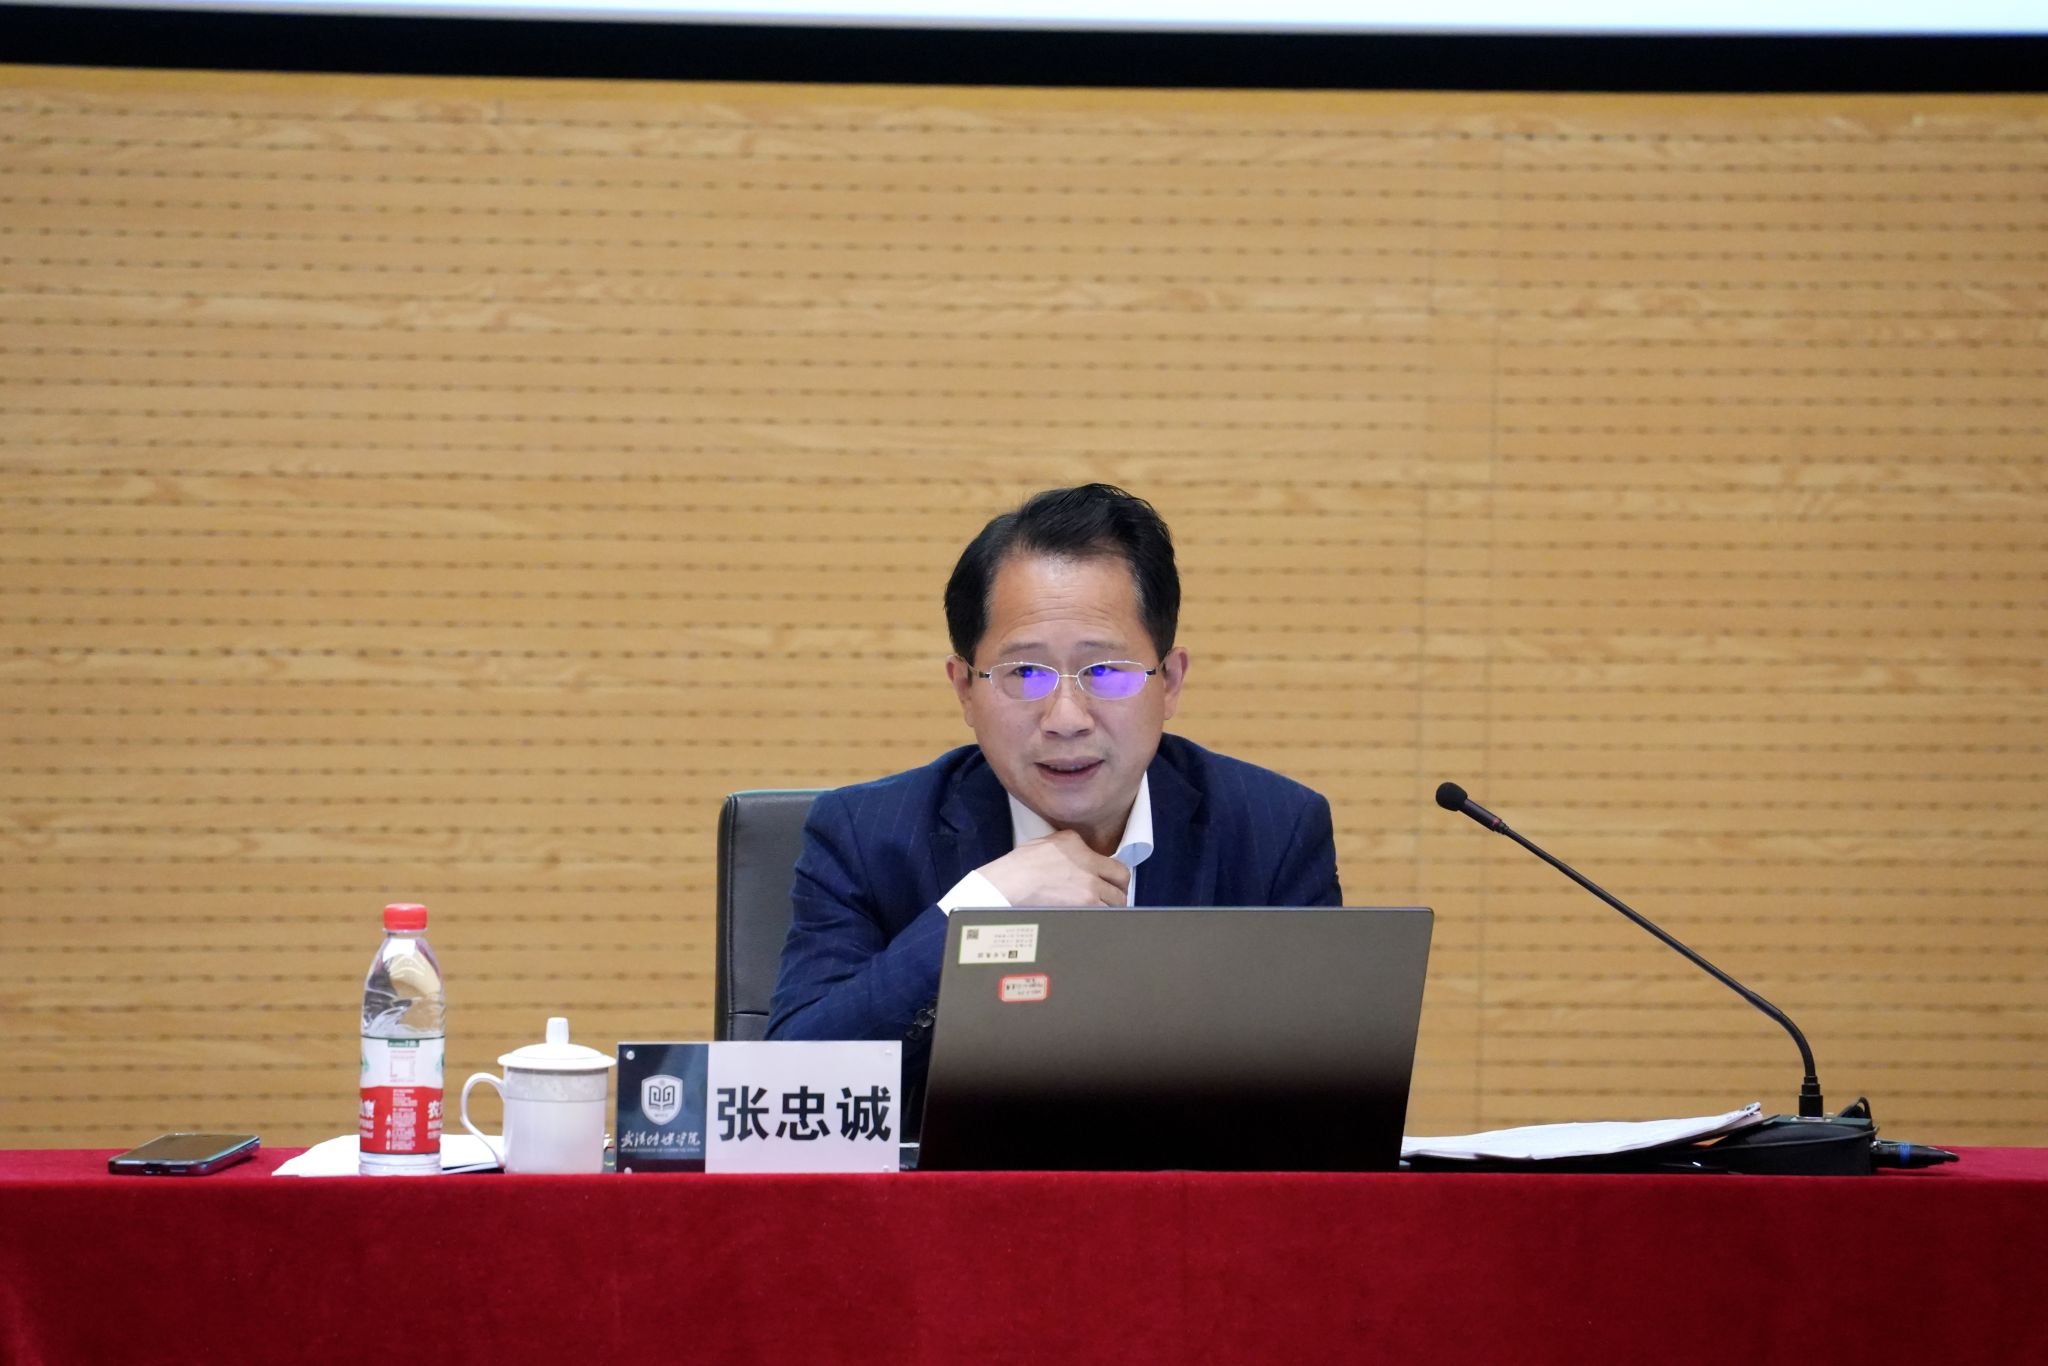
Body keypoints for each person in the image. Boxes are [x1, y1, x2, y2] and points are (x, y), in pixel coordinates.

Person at [766, 483, 1342, 1127]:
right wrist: (978, 909)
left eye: (1106, 672)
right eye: (1025, 673)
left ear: (1171, 682)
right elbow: (791, 1089)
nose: (1066, 718)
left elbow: (1326, 1103)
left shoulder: (1273, 831)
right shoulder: (866, 837)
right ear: (965, 689)